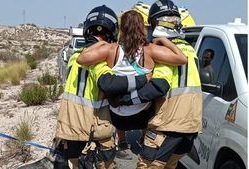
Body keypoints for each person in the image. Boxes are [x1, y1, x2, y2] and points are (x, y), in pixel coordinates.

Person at [76, 10, 186, 161]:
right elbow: (182, 59)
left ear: (121, 30)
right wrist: (164, 41)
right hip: (142, 115)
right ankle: (143, 138)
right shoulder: (150, 50)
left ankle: (122, 141)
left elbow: (81, 59)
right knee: (153, 95)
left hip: (117, 116)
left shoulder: (111, 49)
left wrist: (101, 42)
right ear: (142, 28)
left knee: (115, 96)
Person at [54, 5, 152, 169]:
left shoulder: (75, 57)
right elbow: (109, 83)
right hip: (93, 128)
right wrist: (144, 79)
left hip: (68, 126)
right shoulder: (97, 61)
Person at [114, 0, 202, 168]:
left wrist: (125, 100)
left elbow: (158, 86)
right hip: (191, 126)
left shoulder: (164, 50)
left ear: (155, 24)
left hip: (168, 124)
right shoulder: (189, 50)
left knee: (146, 165)